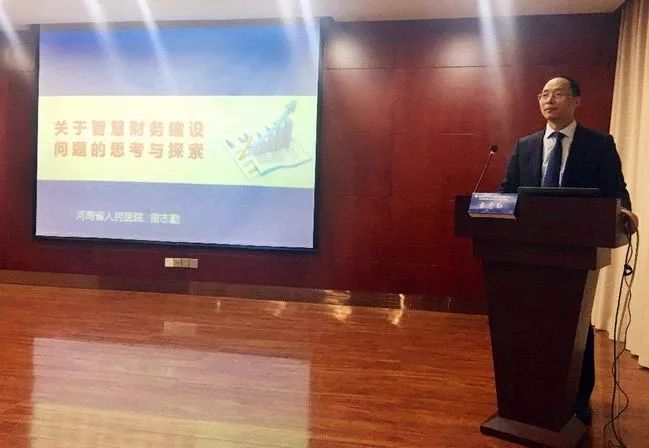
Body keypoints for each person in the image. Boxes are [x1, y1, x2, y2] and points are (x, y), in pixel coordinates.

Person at [499, 76, 633, 426]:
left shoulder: (599, 144)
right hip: (528, 251)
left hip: (576, 252)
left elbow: (616, 189)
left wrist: (624, 212)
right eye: (544, 94)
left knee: (574, 325)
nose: (549, 99)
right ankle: (529, 394)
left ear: (576, 101)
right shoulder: (525, 145)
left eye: (558, 93)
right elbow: (507, 191)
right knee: (530, 323)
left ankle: (577, 398)